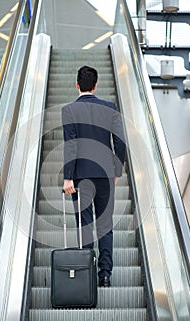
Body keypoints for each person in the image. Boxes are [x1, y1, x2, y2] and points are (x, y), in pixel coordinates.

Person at [62, 66, 126, 287]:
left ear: (77, 85)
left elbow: (71, 146)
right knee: (105, 225)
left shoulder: (69, 110)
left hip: (81, 177)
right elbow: (120, 141)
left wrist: (68, 177)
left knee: (86, 225)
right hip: (105, 175)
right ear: (95, 85)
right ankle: (105, 275)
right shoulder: (110, 108)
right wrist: (116, 171)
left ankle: (87, 275)